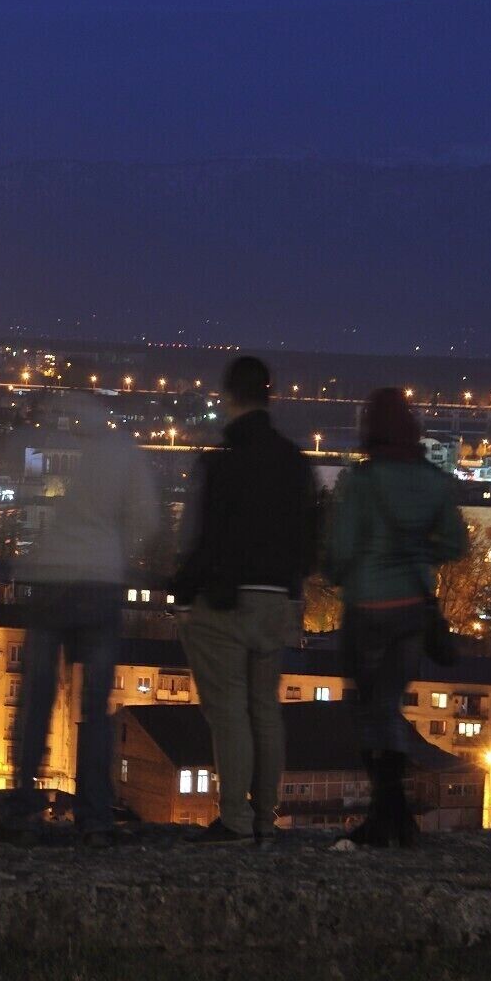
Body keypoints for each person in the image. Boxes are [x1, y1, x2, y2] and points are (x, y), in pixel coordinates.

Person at [0, 393, 160, 847]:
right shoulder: (123, 452)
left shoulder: (40, 445)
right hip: (99, 583)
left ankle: (24, 802)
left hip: (49, 582)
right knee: (95, 704)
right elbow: (147, 517)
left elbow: (8, 490)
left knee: (37, 694)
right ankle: (94, 816)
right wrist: (115, 545)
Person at [174, 356, 319, 843]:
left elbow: (202, 536)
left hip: (226, 600)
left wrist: (184, 589)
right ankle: (265, 816)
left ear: (229, 397)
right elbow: (312, 535)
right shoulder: (296, 464)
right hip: (277, 600)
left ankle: (235, 817)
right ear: (269, 395)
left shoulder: (223, 462)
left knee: (230, 711)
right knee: (265, 709)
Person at [324, 388, 467, 847]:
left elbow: (341, 550)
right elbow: (455, 544)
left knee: (371, 712)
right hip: (412, 613)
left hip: (367, 610)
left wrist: (337, 568)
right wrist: (420, 553)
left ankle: (389, 817)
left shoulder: (364, 483)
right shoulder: (432, 482)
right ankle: (395, 820)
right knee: (389, 709)